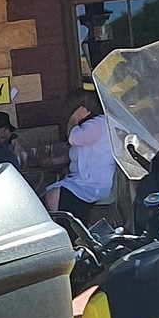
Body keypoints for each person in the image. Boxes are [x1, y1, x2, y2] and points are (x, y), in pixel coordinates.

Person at [45, 90, 116, 223]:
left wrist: (73, 119)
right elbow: (77, 153)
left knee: (54, 196)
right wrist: (53, 161)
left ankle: (68, 231)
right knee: (51, 195)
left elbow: (74, 138)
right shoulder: (89, 127)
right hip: (82, 180)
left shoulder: (97, 124)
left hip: (93, 183)